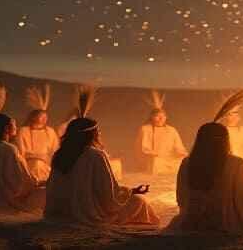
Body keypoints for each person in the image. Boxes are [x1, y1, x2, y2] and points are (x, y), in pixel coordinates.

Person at [165, 90, 243, 234]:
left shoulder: (187, 162)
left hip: (193, 220)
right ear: (225, 140)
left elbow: (181, 198)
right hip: (226, 220)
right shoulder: (236, 164)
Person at [44, 85, 159, 225]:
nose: (100, 134)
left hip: (62, 211)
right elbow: (108, 195)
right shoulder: (96, 155)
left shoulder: (60, 154)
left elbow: (53, 188)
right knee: (139, 202)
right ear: (91, 134)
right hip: (89, 213)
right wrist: (131, 192)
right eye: (98, 131)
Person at [135, 90, 186, 175]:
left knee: (182, 161)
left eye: (163, 116)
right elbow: (144, 149)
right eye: (157, 116)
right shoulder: (145, 129)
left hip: (169, 161)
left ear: (166, 117)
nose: (161, 119)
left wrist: (182, 154)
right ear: (152, 117)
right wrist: (155, 155)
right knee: (156, 163)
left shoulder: (172, 130)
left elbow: (179, 148)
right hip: (154, 161)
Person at [16, 84, 59, 181]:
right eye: (41, 116)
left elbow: (55, 151)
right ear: (34, 116)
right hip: (28, 167)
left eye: (46, 116)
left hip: (46, 166)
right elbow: (20, 153)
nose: (44, 119)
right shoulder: (23, 131)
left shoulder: (50, 132)